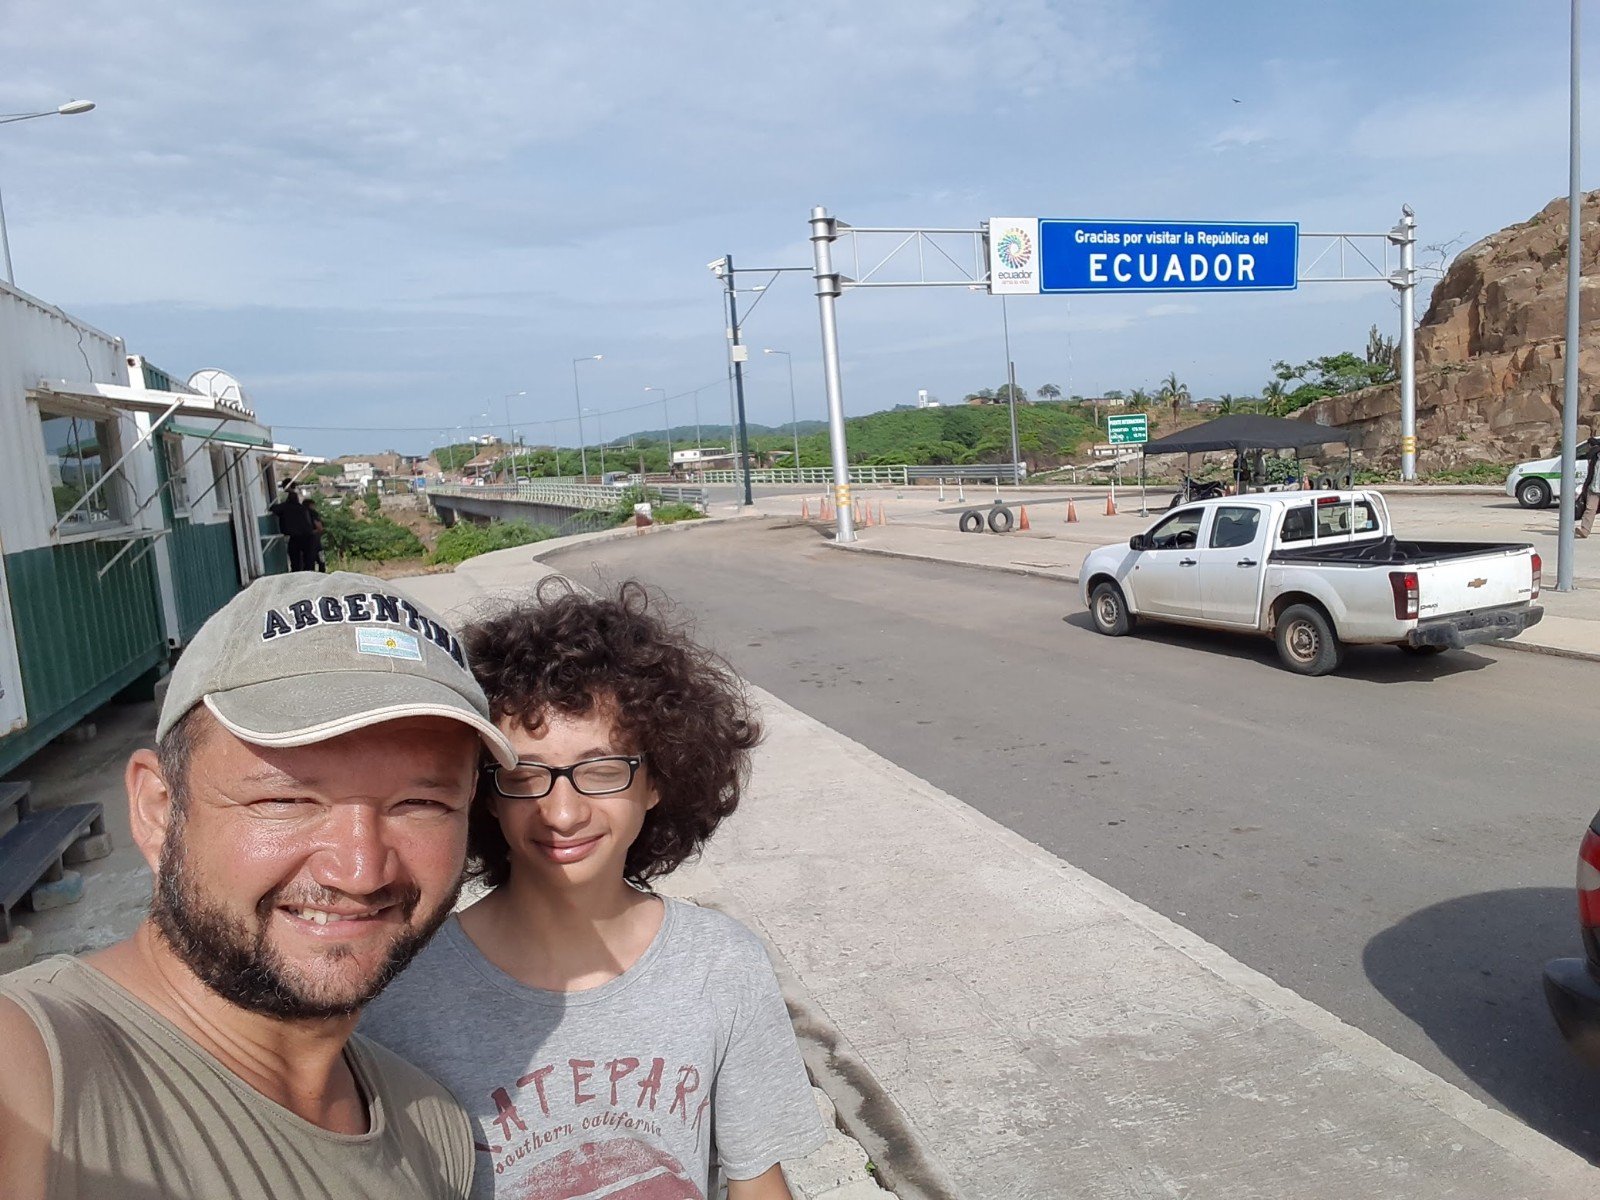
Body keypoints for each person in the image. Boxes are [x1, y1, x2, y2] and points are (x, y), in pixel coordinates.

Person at [0, 571, 519, 1200]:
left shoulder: (435, 1132)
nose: (360, 872)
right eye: (285, 799)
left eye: (421, 803)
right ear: (158, 810)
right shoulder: (34, 1072)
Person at [361, 580, 827, 1200]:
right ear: (484, 794)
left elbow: (757, 1184)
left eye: (603, 770)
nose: (562, 813)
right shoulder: (399, 993)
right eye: (524, 776)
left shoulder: (722, 966)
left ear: (658, 779)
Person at [269, 483, 319, 571]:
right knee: (309, 561)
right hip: (307, 536)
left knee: (295, 561)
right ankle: (309, 573)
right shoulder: (302, 508)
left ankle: (297, 573)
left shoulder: (284, 507)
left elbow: (272, 508)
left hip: (294, 537)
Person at [303, 499, 329, 571]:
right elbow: (319, 527)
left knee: (309, 563)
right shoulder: (313, 513)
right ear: (311, 505)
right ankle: (322, 573)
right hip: (315, 541)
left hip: (304, 542)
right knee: (321, 560)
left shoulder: (300, 514)